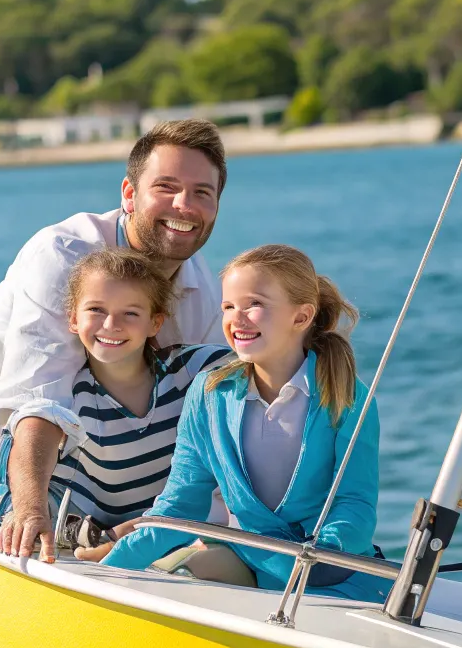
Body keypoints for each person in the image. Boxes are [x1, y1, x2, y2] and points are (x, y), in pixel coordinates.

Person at [0, 119, 228, 556]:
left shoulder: (202, 286)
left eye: (202, 192)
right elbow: (38, 404)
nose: (184, 205)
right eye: (166, 186)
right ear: (129, 193)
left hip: (112, 468)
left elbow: (211, 413)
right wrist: (29, 510)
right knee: (37, 516)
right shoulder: (63, 256)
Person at [77, 244, 390, 603]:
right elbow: (180, 506)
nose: (236, 319)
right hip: (247, 552)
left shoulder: (348, 396)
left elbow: (355, 505)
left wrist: (315, 561)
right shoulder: (208, 393)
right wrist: (112, 573)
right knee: (179, 577)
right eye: (228, 306)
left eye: (253, 305)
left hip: (327, 570)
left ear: (301, 317)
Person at [0, 247, 230, 561]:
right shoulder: (72, 396)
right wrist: (104, 534)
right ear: (74, 319)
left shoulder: (189, 370)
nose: (111, 324)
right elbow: (31, 432)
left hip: (164, 529)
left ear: (155, 323)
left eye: (131, 313)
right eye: (96, 310)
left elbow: (268, 357)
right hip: (87, 529)